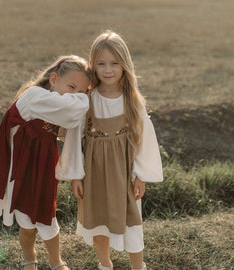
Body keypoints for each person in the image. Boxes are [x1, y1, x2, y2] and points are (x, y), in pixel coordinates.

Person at [60, 30, 163, 270]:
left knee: (131, 222)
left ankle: (138, 266)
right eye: (102, 64)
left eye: (115, 63)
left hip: (123, 173)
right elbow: (76, 137)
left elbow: (143, 138)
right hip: (93, 172)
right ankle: (105, 265)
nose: (108, 70)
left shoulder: (131, 100)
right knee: (98, 221)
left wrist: (141, 175)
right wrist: (75, 174)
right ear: (93, 66)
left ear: (125, 65)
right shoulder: (88, 100)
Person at [0, 55, 91, 270]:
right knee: (26, 220)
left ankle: (56, 261)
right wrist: (89, 98)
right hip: (20, 168)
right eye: (71, 86)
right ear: (53, 78)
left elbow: (69, 129)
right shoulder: (35, 96)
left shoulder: (58, 105)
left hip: (43, 165)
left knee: (47, 215)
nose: (76, 95)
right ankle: (29, 258)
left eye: (82, 91)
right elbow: (74, 111)